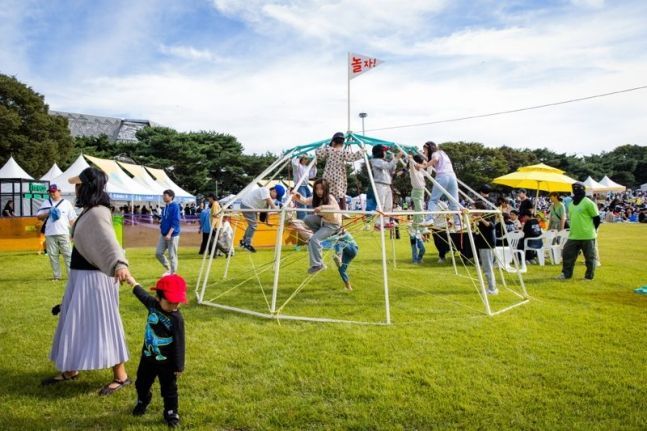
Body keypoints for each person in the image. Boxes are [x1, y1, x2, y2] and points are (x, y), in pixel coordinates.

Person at [42, 167, 131, 395]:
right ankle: (71, 369)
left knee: (103, 324)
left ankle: (121, 376)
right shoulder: (91, 210)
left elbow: (110, 243)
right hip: (82, 277)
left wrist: (120, 265)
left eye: (78, 184)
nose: (75, 188)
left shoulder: (98, 212)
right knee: (74, 321)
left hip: (94, 280)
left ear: (86, 186)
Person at [127, 274, 186, 428]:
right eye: (170, 302)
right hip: (147, 357)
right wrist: (132, 281)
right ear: (158, 298)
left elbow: (180, 343)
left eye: (177, 303)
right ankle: (143, 400)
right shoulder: (152, 304)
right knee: (141, 383)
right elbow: (141, 294)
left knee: (169, 389)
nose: (174, 306)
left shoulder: (176, 319)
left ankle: (171, 412)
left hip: (167, 363)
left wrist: (179, 366)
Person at [292, 179, 342, 274]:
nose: (319, 191)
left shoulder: (330, 197)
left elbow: (335, 208)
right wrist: (297, 195)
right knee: (307, 218)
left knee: (314, 240)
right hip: (324, 222)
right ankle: (317, 236)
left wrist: (321, 208)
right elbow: (305, 201)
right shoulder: (316, 198)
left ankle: (318, 264)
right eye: (317, 189)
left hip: (333, 225)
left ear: (326, 189)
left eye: (321, 189)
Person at [558, 182, 600, 281]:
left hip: (587, 235)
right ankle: (566, 274)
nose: (576, 190)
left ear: (583, 190)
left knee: (589, 258)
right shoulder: (571, 204)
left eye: (578, 188)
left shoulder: (588, 203)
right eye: (574, 188)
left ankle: (588, 277)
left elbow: (597, 219)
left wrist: (592, 230)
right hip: (573, 235)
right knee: (567, 254)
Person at [37, 184, 77, 280]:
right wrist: (48, 213)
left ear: (59, 191)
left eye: (54, 191)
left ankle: (71, 276)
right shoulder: (46, 203)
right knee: (53, 256)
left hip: (64, 233)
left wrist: (74, 233)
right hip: (50, 233)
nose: (52, 193)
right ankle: (56, 276)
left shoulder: (66, 203)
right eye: (50, 192)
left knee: (68, 254)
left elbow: (72, 219)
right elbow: (38, 216)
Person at [316, 132, 364, 210]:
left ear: (333, 142)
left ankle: (326, 209)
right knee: (340, 194)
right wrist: (362, 150)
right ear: (342, 144)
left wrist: (323, 146)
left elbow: (318, 153)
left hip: (328, 176)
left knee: (328, 193)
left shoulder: (329, 150)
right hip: (339, 178)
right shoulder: (343, 152)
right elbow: (353, 157)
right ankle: (342, 211)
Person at [422, 141, 460, 227]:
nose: (425, 152)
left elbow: (435, 159)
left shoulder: (434, 153)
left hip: (442, 176)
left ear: (428, 149)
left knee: (433, 200)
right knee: (454, 201)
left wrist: (424, 166)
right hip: (452, 177)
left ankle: (429, 219)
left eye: (425, 150)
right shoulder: (443, 153)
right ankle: (458, 223)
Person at [239, 184, 285, 253]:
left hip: (251, 207)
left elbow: (266, 212)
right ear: (274, 191)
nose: (275, 198)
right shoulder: (265, 190)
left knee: (252, 225)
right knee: (253, 225)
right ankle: (247, 244)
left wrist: (267, 222)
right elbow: (272, 205)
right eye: (277, 196)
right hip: (246, 205)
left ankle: (243, 242)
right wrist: (278, 209)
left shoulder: (267, 200)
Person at [474, 201, 497, 294]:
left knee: (488, 268)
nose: (473, 210)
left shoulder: (488, 216)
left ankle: (492, 289)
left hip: (486, 245)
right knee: (487, 267)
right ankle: (491, 288)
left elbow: (491, 226)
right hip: (483, 245)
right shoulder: (479, 217)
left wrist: (481, 219)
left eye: (474, 208)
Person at [156, 190, 181, 275]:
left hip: (172, 235)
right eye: (163, 195)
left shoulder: (175, 206)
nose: (163, 197)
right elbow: (165, 219)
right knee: (158, 253)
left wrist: (169, 234)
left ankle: (173, 273)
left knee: (172, 255)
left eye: (165, 195)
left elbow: (176, 221)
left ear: (171, 197)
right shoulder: (165, 207)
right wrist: (160, 221)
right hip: (163, 234)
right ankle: (169, 268)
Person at [291, 155, 317, 220]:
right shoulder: (297, 166)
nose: (306, 160)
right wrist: (299, 156)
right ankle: (301, 219)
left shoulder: (306, 167)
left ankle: (310, 218)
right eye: (305, 158)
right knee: (301, 203)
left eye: (307, 159)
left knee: (310, 201)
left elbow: (312, 175)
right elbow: (294, 163)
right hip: (299, 185)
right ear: (301, 159)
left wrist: (314, 166)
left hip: (305, 186)